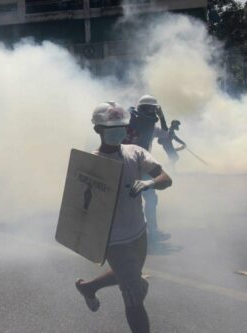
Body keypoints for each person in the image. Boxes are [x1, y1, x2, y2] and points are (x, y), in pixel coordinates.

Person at [76, 102, 172, 333]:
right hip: (113, 239)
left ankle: (89, 288)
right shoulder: (91, 163)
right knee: (134, 299)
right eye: (112, 128)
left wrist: (150, 182)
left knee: (131, 276)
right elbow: (80, 204)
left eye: (122, 127)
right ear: (98, 130)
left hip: (139, 232)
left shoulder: (135, 152)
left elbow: (165, 178)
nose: (119, 132)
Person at [124, 95, 170, 242]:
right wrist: (162, 117)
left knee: (148, 199)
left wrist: (161, 117)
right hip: (136, 166)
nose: (152, 112)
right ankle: (147, 232)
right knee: (146, 199)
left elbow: (165, 134)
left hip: (135, 165)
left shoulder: (130, 122)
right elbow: (166, 134)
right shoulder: (132, 123)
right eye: (151, 109)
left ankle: (150, 231)